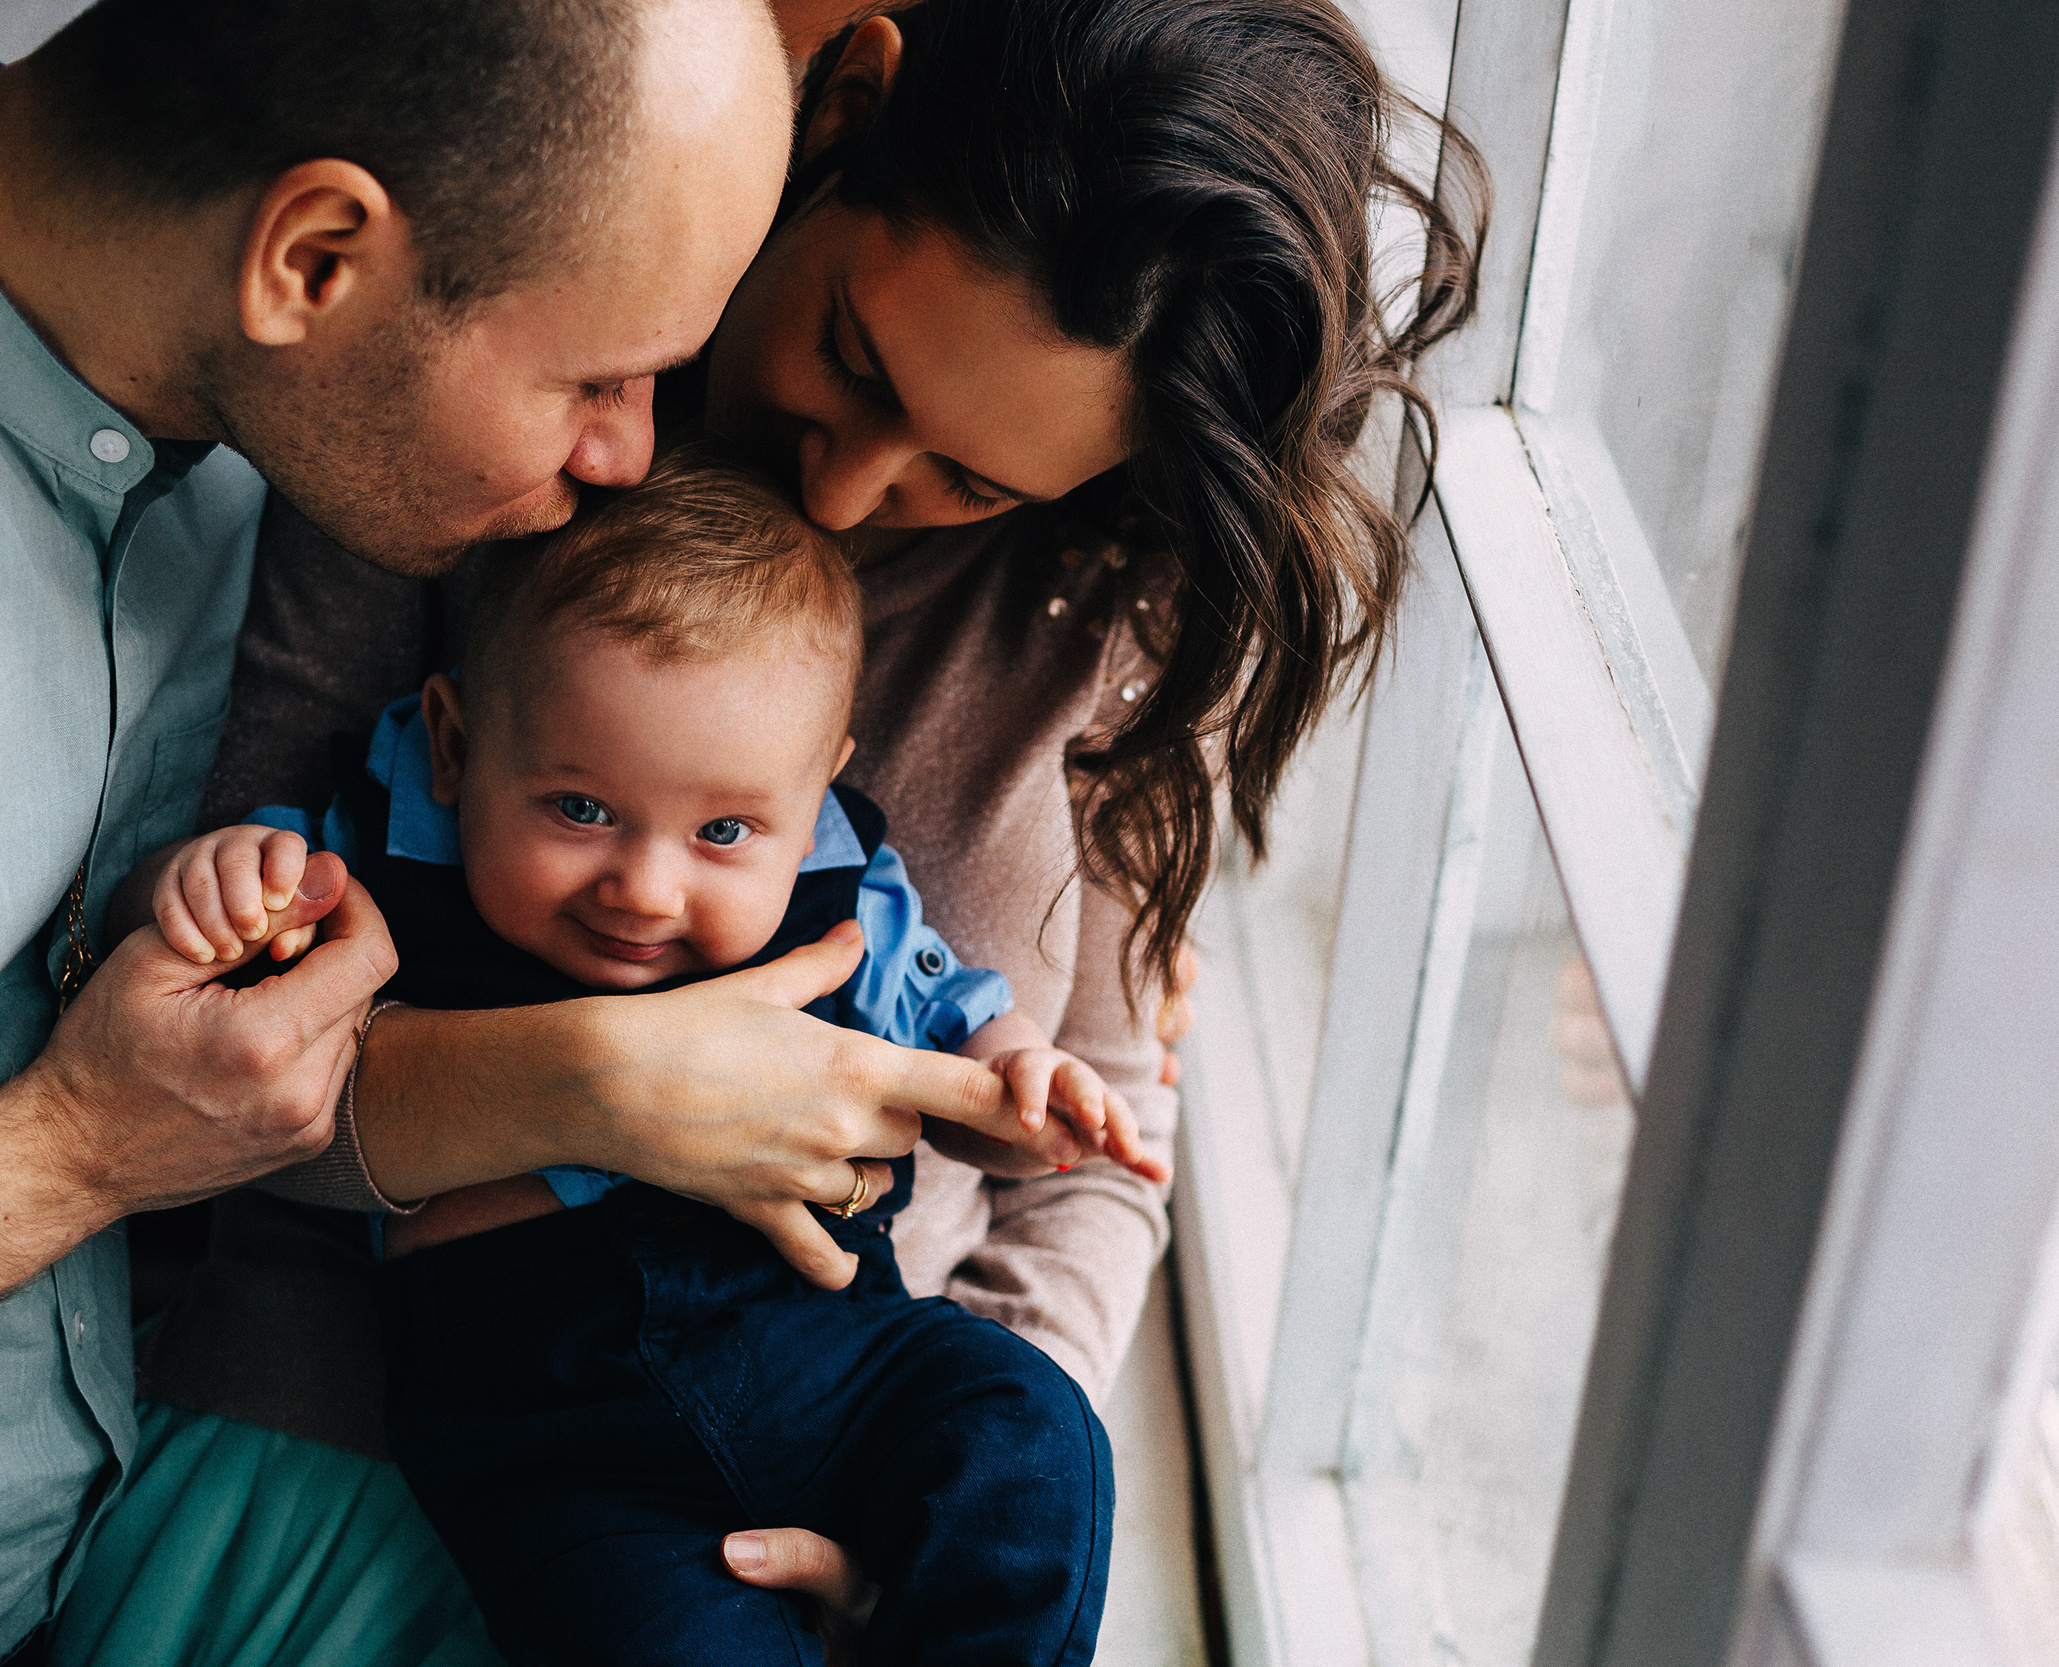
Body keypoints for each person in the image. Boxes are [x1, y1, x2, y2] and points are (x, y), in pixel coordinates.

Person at [116, 0, 1484, 1651]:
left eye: (974, 482)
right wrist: (599, 1082)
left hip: (850, 1429)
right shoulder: (494, 382)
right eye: (853, 356)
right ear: (847, 109)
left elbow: (1098, 1145)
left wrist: (933, 1531)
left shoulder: (1103, 611)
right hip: (358, 1437)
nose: (839, 496)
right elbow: (184, 1046)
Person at [0, 0, 874, 1661]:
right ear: (314, 259)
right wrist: (81, 1145)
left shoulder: (241, 431)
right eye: (597, 378)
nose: (629, 454)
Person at [150, 451, 1161, 1664]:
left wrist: (1023, 1079)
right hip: (548, 1432)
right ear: (455, 742)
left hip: (828, 1358)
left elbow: (960, 1027)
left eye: (724, 830)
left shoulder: (845, 890)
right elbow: (242, 963)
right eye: (580, 809)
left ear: (817, 794)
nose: (645, 887)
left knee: (1032, 1428)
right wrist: (231, 874)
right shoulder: (388, 835)